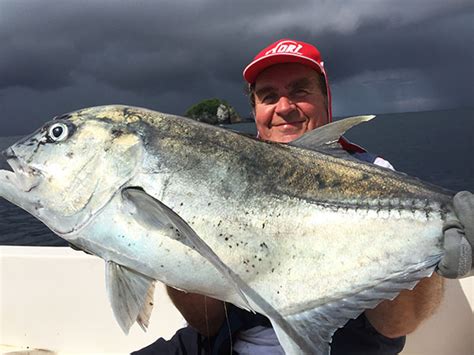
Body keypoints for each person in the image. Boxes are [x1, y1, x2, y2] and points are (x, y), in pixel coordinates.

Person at [134, 39, 474, 354]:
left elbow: (396, 324)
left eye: (300, 91)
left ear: (326, 100)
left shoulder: (376, 176)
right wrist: (169, 243)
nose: (284, 107)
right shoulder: (219, 176)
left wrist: (426, 261)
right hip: (226, 343)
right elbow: (207, 324)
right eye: (268, 96)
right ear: (254, 111)